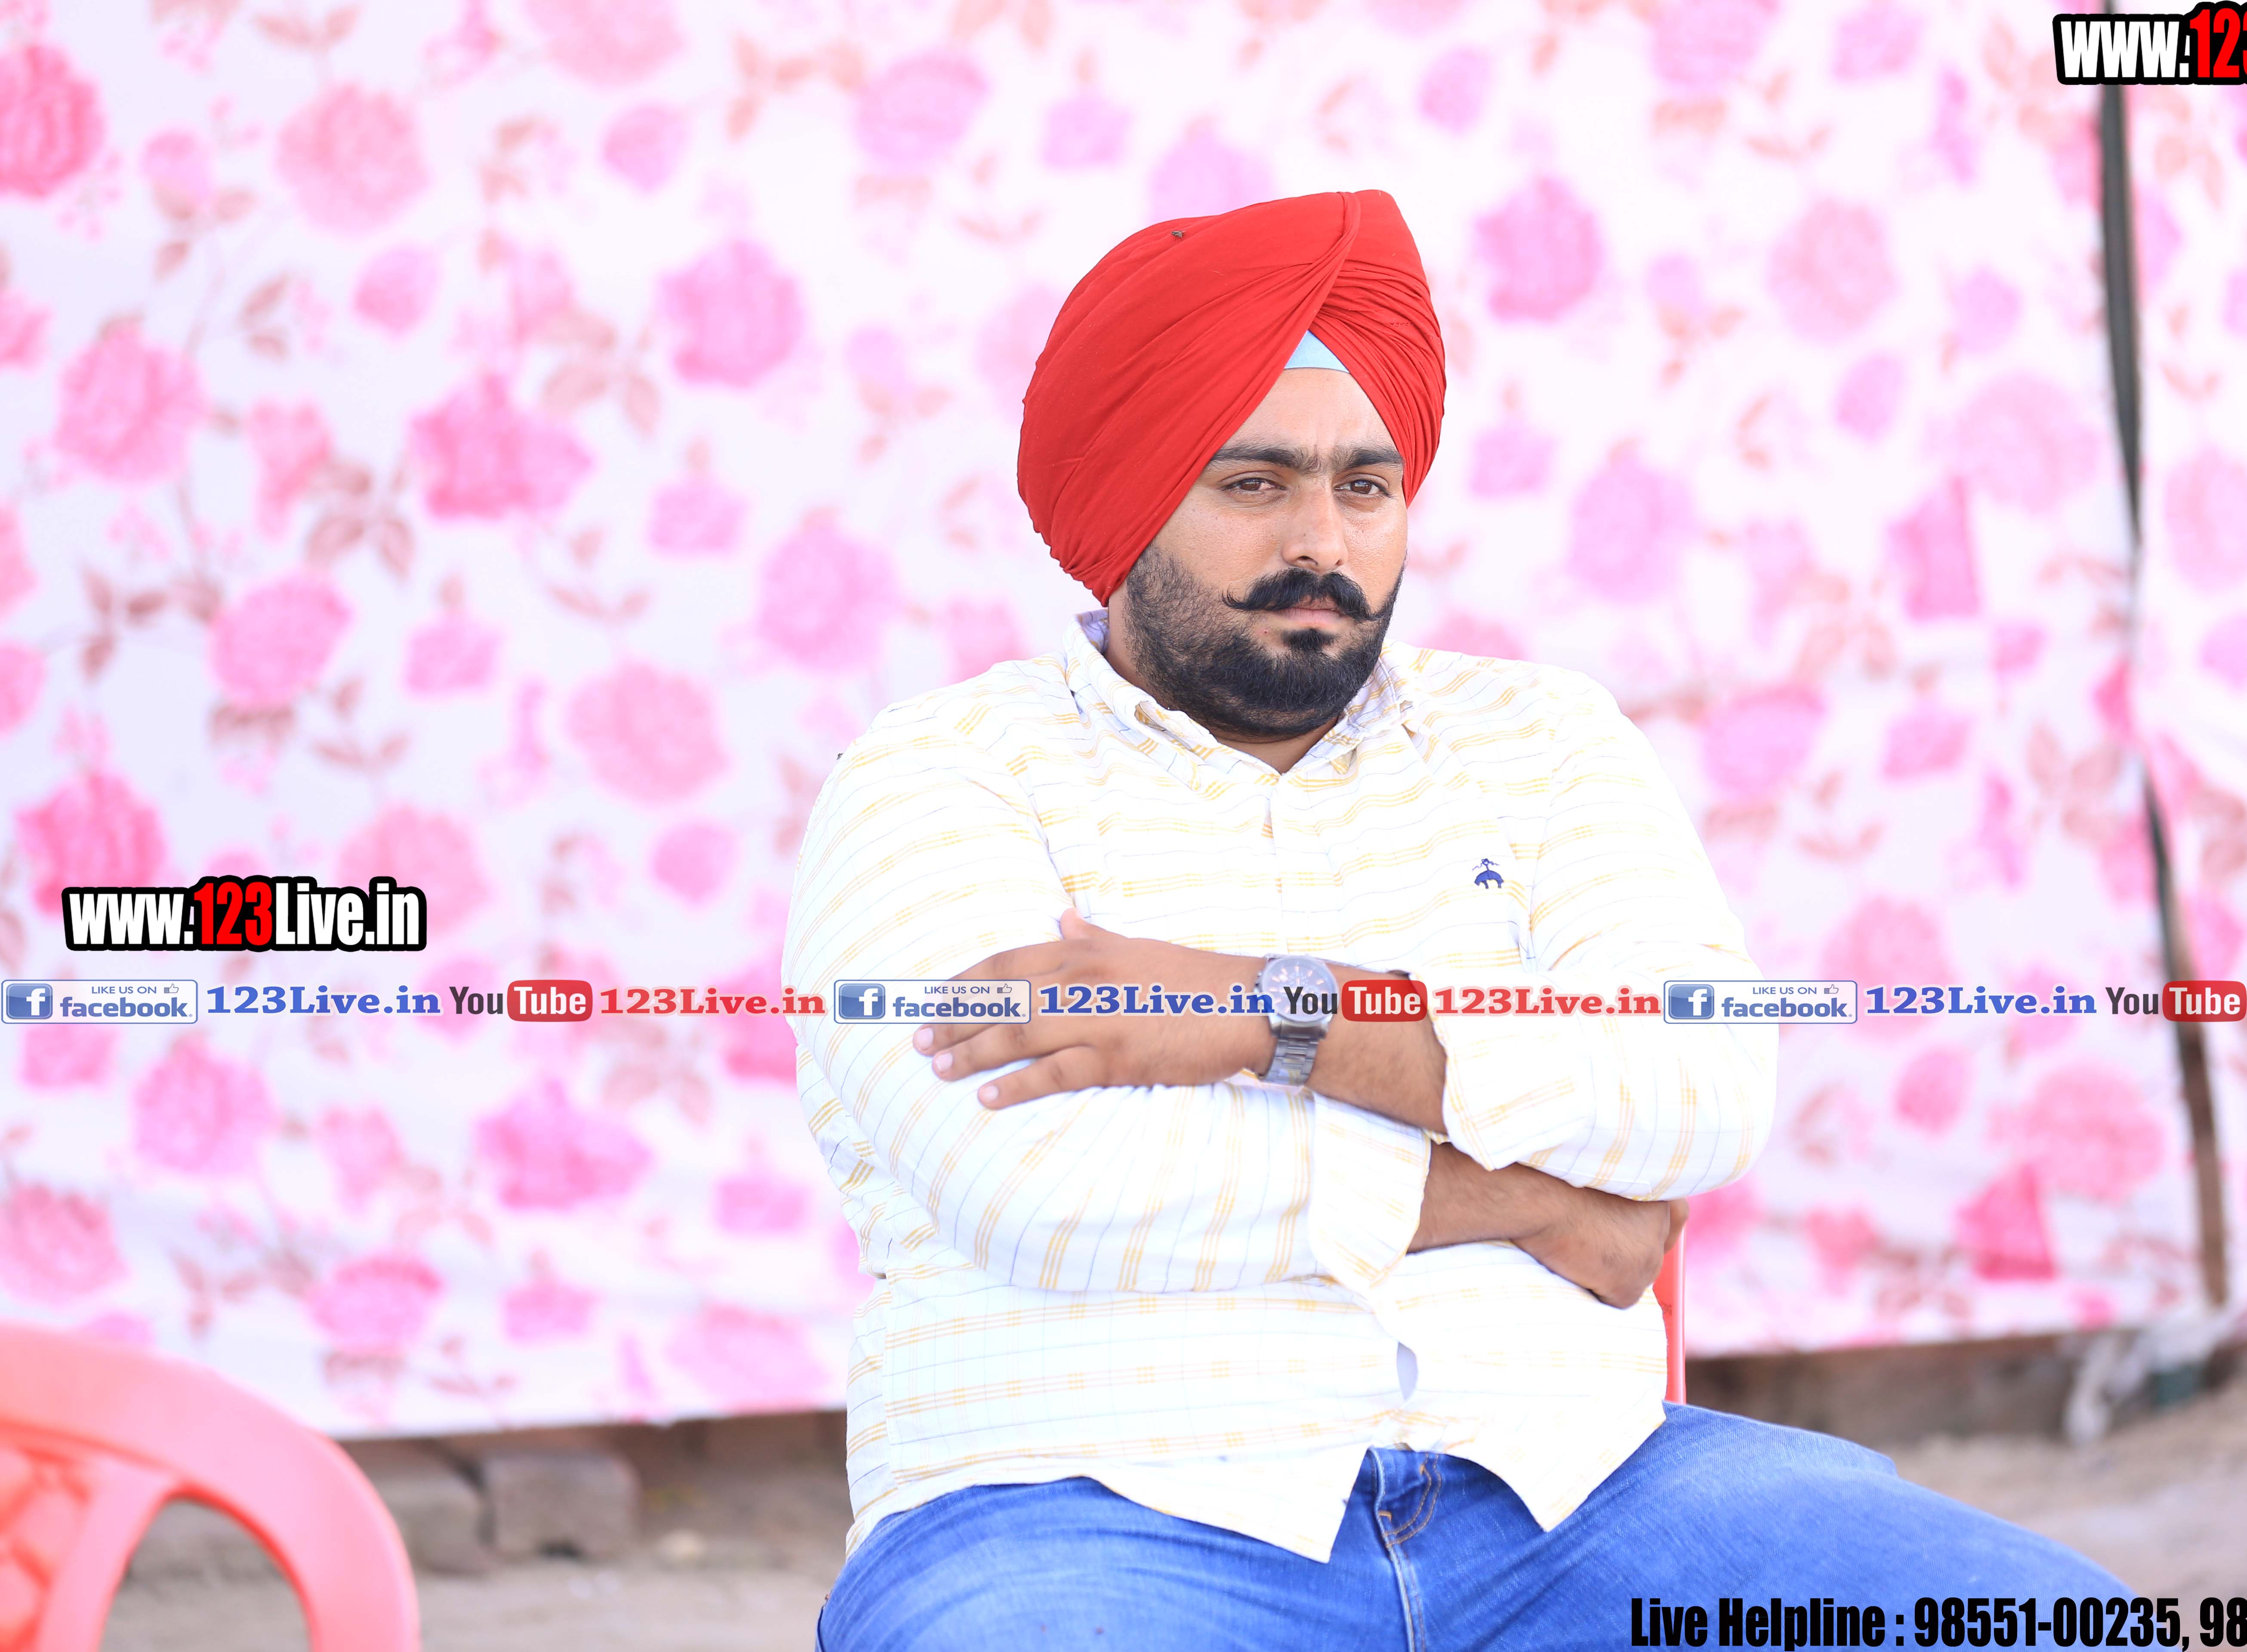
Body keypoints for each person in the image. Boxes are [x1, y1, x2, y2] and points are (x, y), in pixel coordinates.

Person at [785, 190, 2121, 1652]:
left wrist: (1264, 1014)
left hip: (1576, 1492)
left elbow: (1702, 1082)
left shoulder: (1540, 742)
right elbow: (1047, 1183)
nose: (1322, 542)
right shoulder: (938, 776)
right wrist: (1540, 1199)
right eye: (1253, 483)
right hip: (1084, 1511)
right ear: (1127, 501)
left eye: (1366, 486)